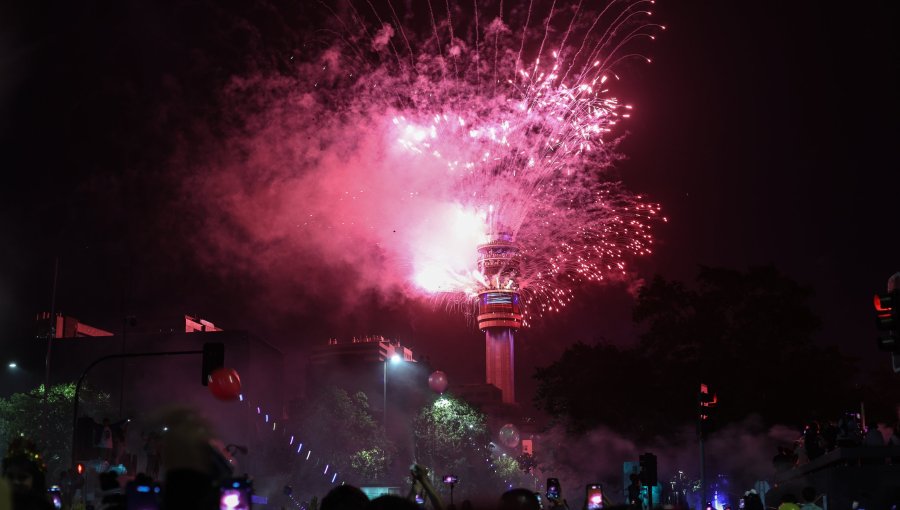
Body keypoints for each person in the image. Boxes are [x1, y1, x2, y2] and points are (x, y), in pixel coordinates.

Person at [2, 437, 55, 510]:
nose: (15, 482)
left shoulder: (44, 506)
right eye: (10, 476)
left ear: (35, 479)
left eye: (22, 477)